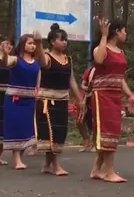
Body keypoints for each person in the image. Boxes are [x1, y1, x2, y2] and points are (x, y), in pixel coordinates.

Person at [86, 18, 134, 183]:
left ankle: (96, 170)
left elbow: (119, 77)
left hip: (115, 95)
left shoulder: (120, 52)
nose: (126, 33)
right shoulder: (101, 49)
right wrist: (103, 36)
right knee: (106, 132)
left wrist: (130, 95)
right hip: (102, 94)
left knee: (112, 132)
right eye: (124, 30)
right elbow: (99, 60)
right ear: (117, 31)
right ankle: (109, 172)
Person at [34, 24, 83, 176]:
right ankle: (55, 165)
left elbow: (72, 80)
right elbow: (42, 62)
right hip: (47, 100)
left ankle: (47, 164)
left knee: (59, 132)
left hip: (62, 99)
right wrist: (37, 44)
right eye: (61, 39)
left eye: (65, 40)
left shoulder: (68, 59)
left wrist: (79, 99)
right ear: (52, 41)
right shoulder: (48, 57)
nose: (64, 42)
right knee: (51, 132)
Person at [1, 33, 41, 170]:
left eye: (34, 43)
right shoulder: (15, 60)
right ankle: (17, 160)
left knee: (27, 128)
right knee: (16, 128)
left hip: (30, 99)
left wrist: (38, 91)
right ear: (23, 45)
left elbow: (38, 79)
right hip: (14, 99)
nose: (32, 46)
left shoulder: (37, 62)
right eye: (29, 43)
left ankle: (21, 157)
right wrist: (5, 53)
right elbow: (6, 62)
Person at [0, 37, 13, 166]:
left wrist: (6, 54)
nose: (6, 45)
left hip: (7, 94)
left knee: (3, 126)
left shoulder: (11, 60)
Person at [77, 66, 95, 152]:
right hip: (87, 98)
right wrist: (86, 88)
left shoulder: (105, 70)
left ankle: (94, 143)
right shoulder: (89, 70)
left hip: (98, 98)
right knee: (79, 121)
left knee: (94, 122)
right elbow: (82, 84)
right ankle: (86, 140)